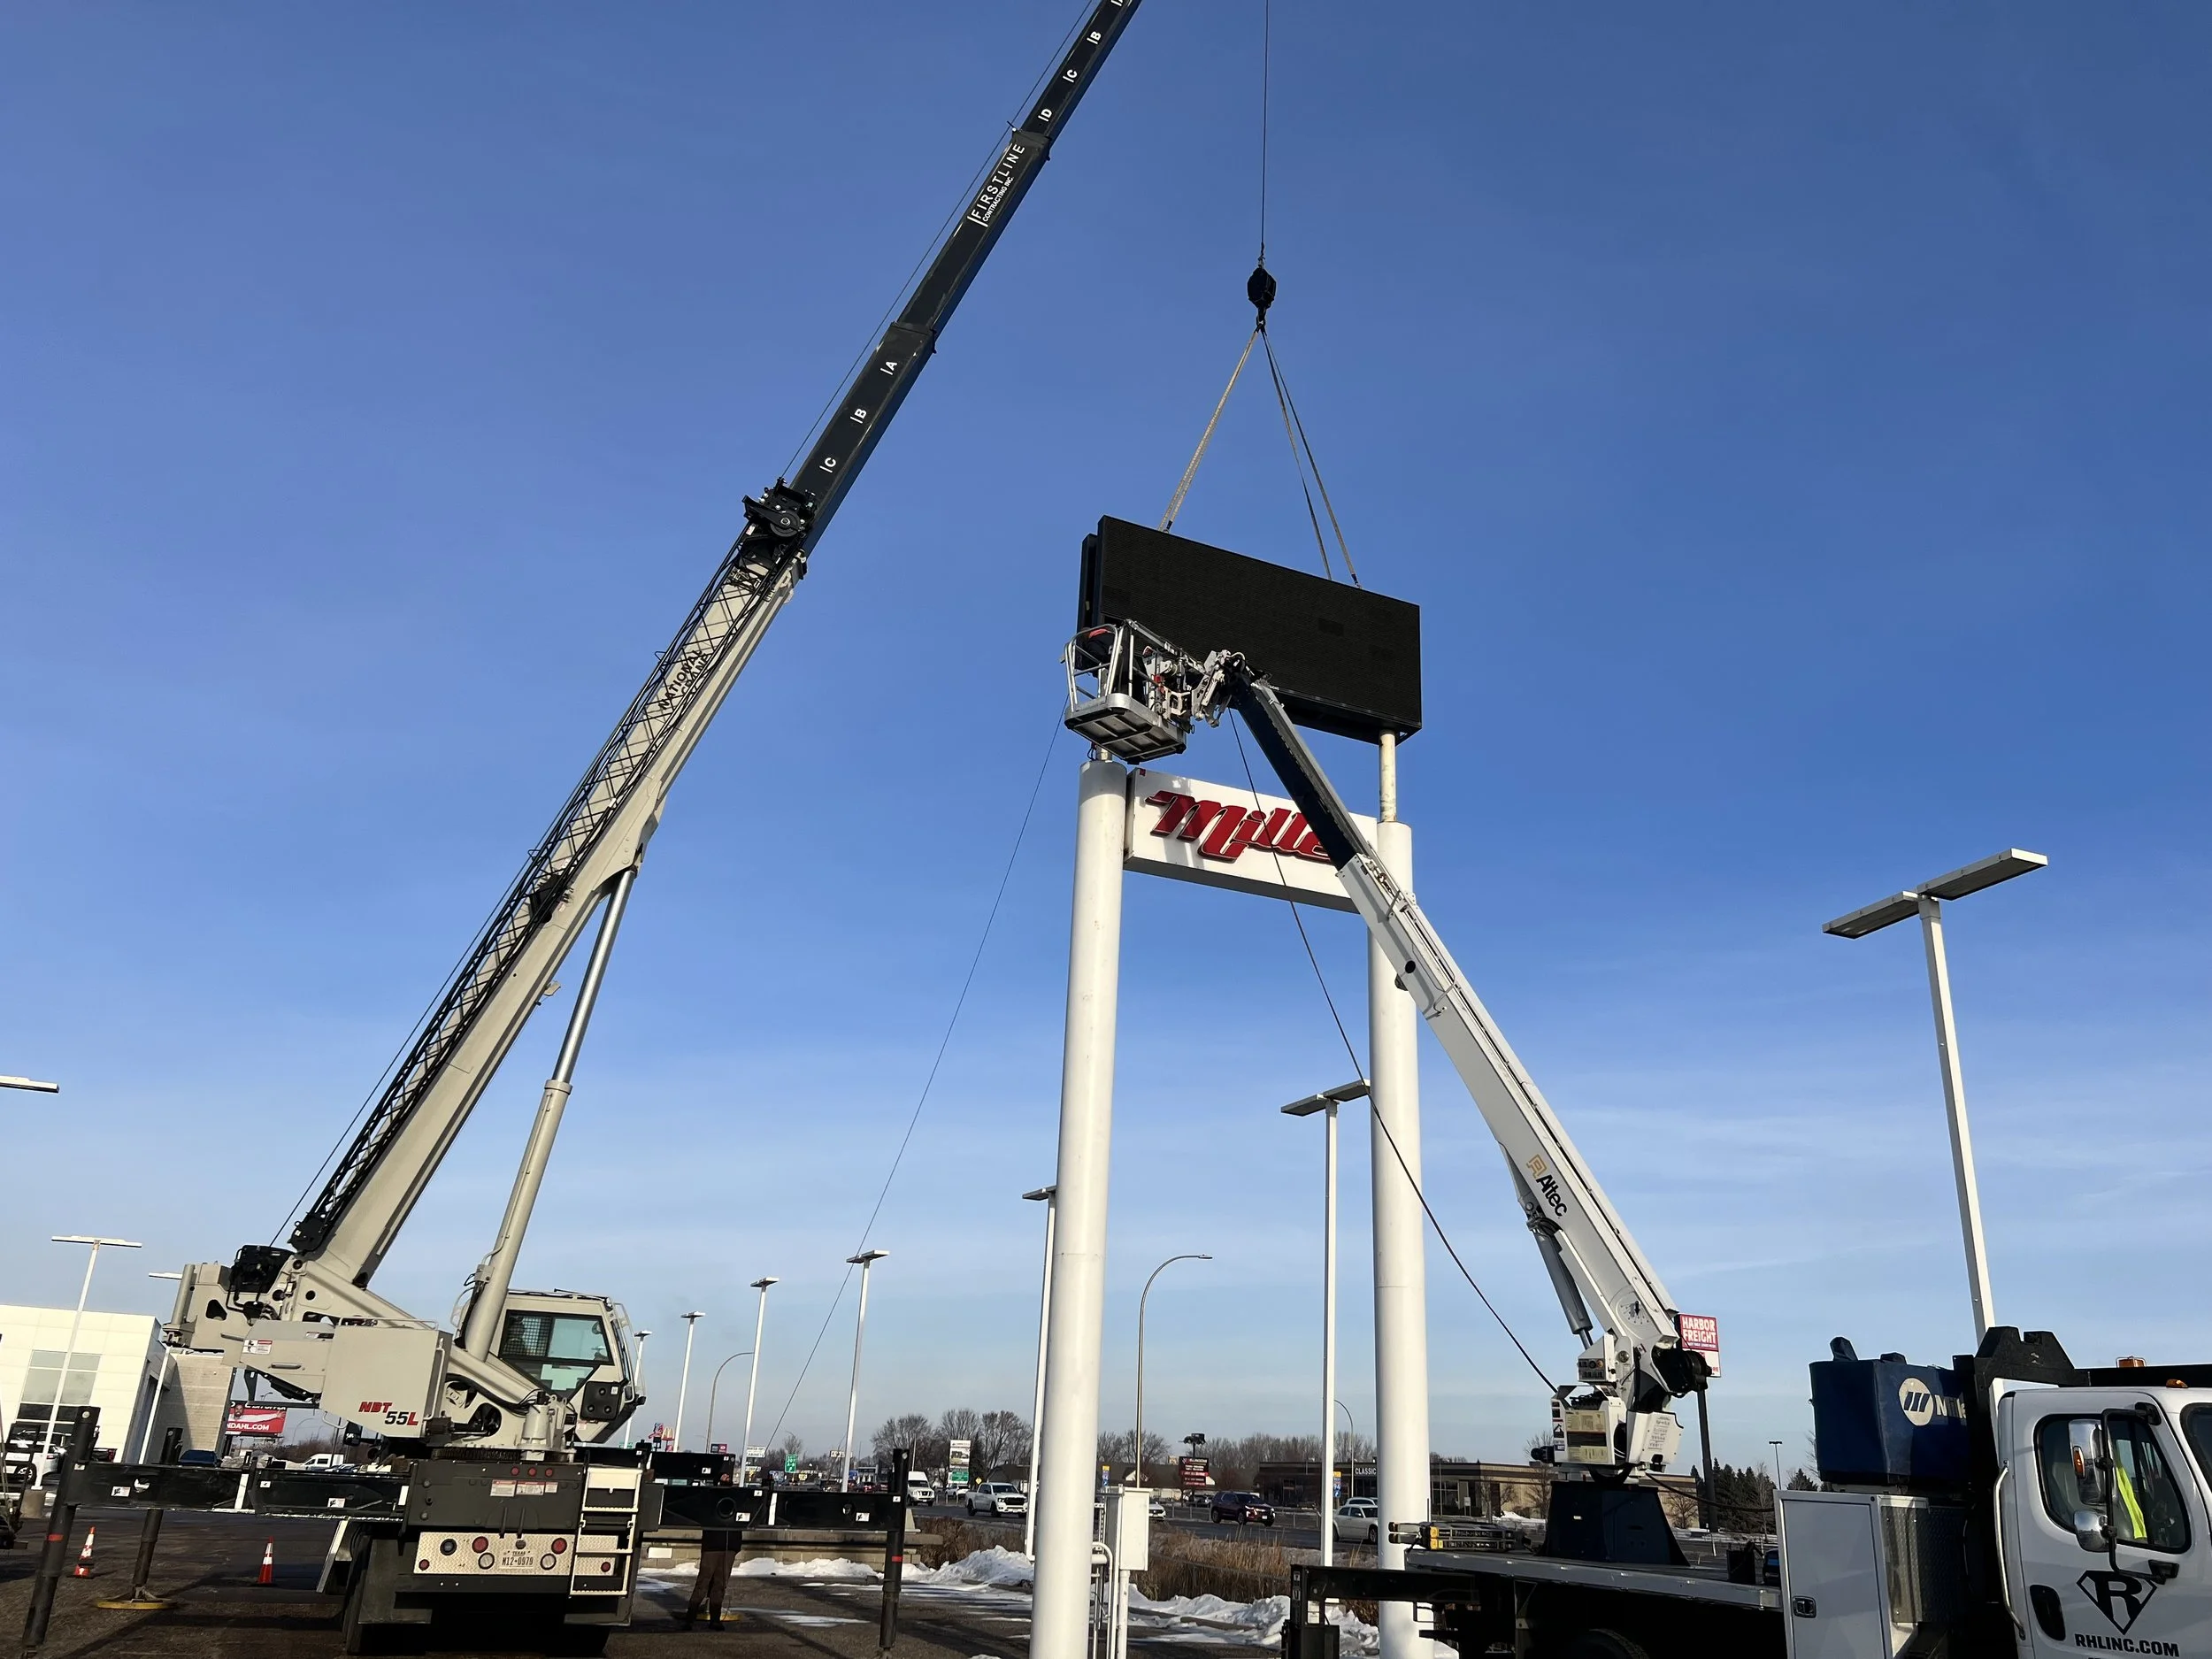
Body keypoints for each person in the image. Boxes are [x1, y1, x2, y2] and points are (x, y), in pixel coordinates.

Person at [682, 1526, 741, 1629]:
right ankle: (690, 1618)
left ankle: (715, 1620)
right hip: (712, 1544)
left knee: (720, 1583)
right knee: (703, 1582)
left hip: (730, 1544)